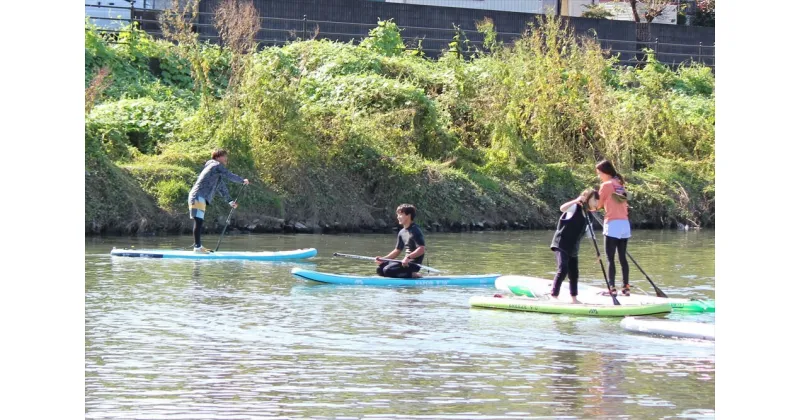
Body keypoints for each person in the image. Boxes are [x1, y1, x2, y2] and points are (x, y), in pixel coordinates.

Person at [187, 148, 249, 253]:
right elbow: (229, 175)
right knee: (198, 221)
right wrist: (242, 180)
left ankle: (198, 247)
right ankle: (197, 248)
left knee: (199, 221)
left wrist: (230, 201)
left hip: (199, 196)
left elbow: (221, 187)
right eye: (225, 156)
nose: (226, 159)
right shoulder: (215, 165)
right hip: (197, 195)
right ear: (218, 157)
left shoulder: (214, 170)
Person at [549, 188, 599, 304]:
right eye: (595, 200)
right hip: (561, 243)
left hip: (573, 247)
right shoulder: (575, 207)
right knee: (563, 269)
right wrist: (575, 201)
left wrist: (597, 252)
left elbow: (590, 235)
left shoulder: (589, 216)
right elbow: (562, 208)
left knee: (574, 273)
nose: (597, 203)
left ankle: (574, 298)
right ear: (587, 199)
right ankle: (554, 295)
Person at [595, 159, 630, 296]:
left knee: (610, 258)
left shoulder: (606, 185)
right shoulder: (619, 183)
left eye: (599, 173)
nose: (599, 176)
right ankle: (626, 288)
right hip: (625, 225)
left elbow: (597, 205)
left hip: (613, 224)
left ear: (606, 172)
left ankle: (612, 289)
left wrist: (588, 206)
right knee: (622, 258)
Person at [375, 204, 426, 278]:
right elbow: (397, 250)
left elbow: (421, 249)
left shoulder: (415, 230)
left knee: (387, 270)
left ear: (408, 215)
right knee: (380, 268)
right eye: (397, 215)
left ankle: (413, 275)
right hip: (404, 262)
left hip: (413, 264)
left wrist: (408, 258)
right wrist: (383, 259)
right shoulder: (401, 232)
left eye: (400, 214)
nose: (398, 217)